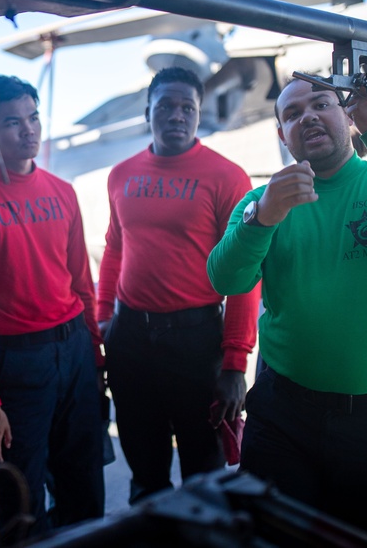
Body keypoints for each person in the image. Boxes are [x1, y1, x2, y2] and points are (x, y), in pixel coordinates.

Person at [206, 73, 367, 547]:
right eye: (292, 113)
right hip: (285, 418)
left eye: (320, 103)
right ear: (282, 134)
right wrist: (263, 218)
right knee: (271, 535)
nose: (307, 117)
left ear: (346, 115)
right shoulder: (266, 200)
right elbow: (226, 278)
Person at [96, 66, 261, 505]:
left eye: (187, 107)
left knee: (203, 479)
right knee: (145, 473)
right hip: (130, 339)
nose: (176, 115)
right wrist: (103, 319)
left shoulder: (227, 177)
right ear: (148, 111)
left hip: (196, 342)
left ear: (198, 113)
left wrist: (233, 364)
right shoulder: (121, 175)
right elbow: (115, 249)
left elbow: (245, 277)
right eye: (165, 105)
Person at [0, 75, 105, 545]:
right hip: (17, 361)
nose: (29, 130)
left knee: (84, 482)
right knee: (20, 497)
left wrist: (95, 356)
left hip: (74, 349)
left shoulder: (62, 191)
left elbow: (80, 283)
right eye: (12, 122)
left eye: (33, 118)